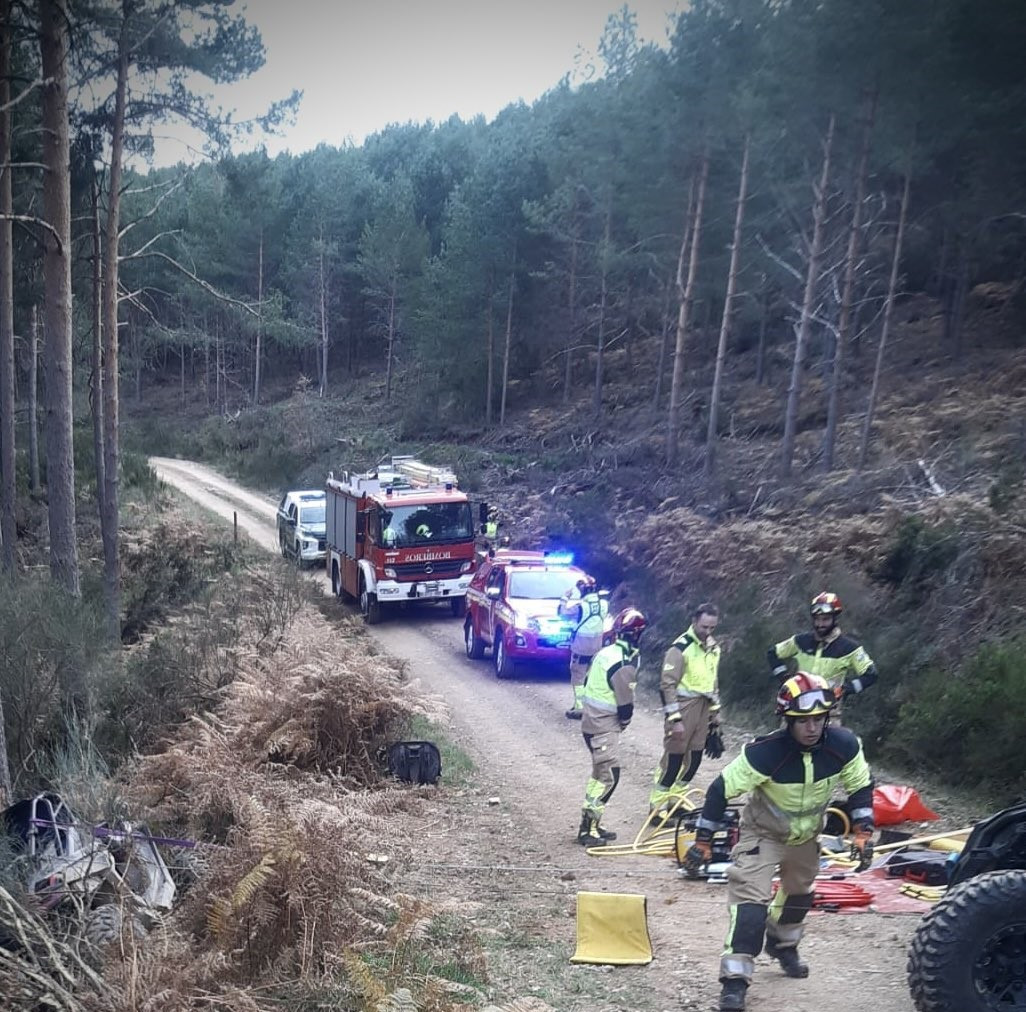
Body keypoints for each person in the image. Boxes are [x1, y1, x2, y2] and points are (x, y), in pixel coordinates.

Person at [683, 672, 875, 1012]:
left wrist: (862, 831)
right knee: (750, 908)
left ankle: (783, 945)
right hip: (763, 835)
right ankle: (735, 981)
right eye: (803, 721)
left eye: (818, 719)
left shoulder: (844, 746)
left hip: (806, 837)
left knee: (799, 896)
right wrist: (703, 841)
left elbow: (861, 785)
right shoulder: (765, 753)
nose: (812, 728)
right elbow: (719, 790)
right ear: (787, 719)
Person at [576, 607, 648, 846]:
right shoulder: (624, 664)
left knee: (599, 776)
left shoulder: (605, 653)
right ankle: (588, 829)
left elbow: (587, 682)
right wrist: (624, 722)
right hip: (604, 726)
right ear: (636, 635)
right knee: (609, 777)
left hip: (591, 723)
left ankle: (592, 823)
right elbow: (625, 705)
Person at [649, 603, 723, 818]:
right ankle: (657, 806)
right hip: (683, 707)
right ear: (694, 621)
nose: (707, 632)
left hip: (703, 708)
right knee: (673, 760)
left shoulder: (713, 647)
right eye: (704, 627)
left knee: (695, 759)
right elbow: (667, 685)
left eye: (712, 628)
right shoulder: (680, 648)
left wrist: (716, 713)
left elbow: (713, 681)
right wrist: (675, 719)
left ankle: (676, 801)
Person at [767, 592, 878, 719]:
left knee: (840, 739)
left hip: (829, 715)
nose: (820, 624)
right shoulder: (800, 641)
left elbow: (871, 674)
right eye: (817, 619)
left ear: (835, 618)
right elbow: (772, 653)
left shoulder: (850, 648)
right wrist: (784, 679)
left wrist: (846, 689)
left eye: (825, 619)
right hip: (797, 711)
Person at [559, 576, 609, 720]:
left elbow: (563, 613)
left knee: (578, 677)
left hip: (581, 647)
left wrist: (565, 597)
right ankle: (592, 706)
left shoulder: (581, 607)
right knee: (591, 676)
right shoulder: (604, 604)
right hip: (597, 647)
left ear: (583, 590)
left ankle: (580, 708)